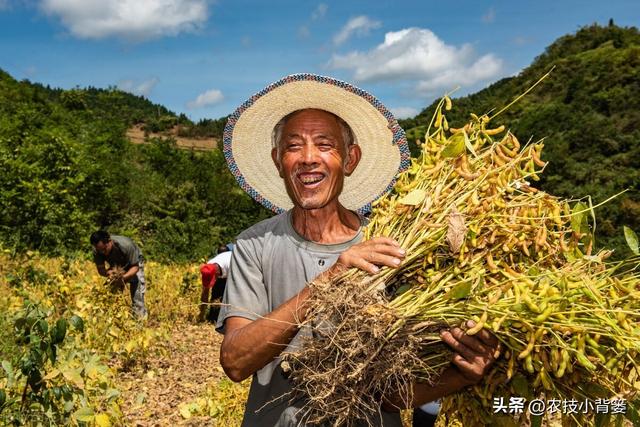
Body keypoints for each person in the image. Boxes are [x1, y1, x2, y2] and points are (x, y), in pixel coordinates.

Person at [216, 73, 500, 426]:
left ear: (349, 159)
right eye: (293, 147)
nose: (308, 158)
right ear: (277, 160)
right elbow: (236, 361)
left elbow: (391, 396)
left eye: (324, 145)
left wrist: (462, 375)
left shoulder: (395, 246)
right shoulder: (254, 245)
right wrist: (330, 279)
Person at [90, 230, 148, 318]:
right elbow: (101, 270)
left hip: (134, 262)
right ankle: (114, 317)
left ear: (109, 241)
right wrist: (110, 274)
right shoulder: (97, 250)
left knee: (137, 288)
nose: (103, 252)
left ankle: (140, 317)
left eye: (104, 249)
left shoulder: (126, 245)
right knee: (111, 291)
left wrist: (123, 278)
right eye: (100, 250)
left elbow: (135, 267)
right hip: (116, 265)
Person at [199, 243, 233, 322]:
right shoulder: (208, 268)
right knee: (216, 294)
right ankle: (213, 317)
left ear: (217, 272)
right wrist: (201, 314)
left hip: (237, 269)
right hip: (223, 271)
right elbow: (205, 293)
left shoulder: (231, 264)